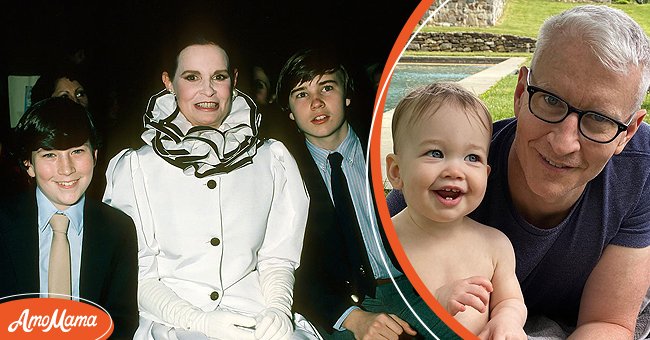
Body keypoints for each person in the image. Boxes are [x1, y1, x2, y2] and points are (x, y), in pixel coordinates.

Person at [386, 5, 650, 338]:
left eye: (599, 119)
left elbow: (608, 322)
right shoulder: (440, 182)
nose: (563, 143)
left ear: (627, 133)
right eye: (551, 101)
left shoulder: (640, 171)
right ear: (521, 93)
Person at [103, 34, 318, 340]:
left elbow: (277, 257)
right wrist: (199, 322)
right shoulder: (136, 168)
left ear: (234, 80)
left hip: (253, 315)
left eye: (219, 77)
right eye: (192, 77)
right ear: (168, 82)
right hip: (172, 322)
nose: (208, 90)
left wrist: (278, 309)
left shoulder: (272, 158)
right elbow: (137, 274)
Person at [276, 48, 458, 340]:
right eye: (301, 94)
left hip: (422, 284)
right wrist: (352, 318)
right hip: (351, 305)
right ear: (288, 110)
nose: (316, 103)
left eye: (327, 87)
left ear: (347, 94)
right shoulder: (282, 173)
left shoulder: (390, 145)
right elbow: (286, 266)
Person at [385, 83, 527, 338]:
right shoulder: (384, 244)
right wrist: (434, 304)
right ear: (397, 172)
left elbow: (511, 301)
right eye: (435, 153)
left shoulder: (495, 245)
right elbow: (379, 316)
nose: (455, 171)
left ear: (486, 174)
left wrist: (507, 320)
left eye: (472, 157)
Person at [0, 97, 138, 339]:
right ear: (28, 164)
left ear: (95, 156)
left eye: (77, 151)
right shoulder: (3, 224)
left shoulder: (118, 230)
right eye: (50, 155)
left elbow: (122, 320)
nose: (67, 169)